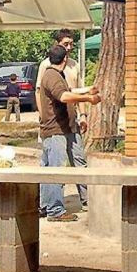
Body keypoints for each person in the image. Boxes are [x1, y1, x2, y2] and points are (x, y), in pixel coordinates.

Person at [37, 45, 100, 222]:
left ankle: (49, 206)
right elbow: (63, 96)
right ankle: (55, 210)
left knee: (63, 166)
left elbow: (68, 91)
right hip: (55, 130)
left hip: (67, 128)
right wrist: (88, 99)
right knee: (55, 170)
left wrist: (88, 89)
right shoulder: (52, 76)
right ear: (65, 59)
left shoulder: (55, 75)